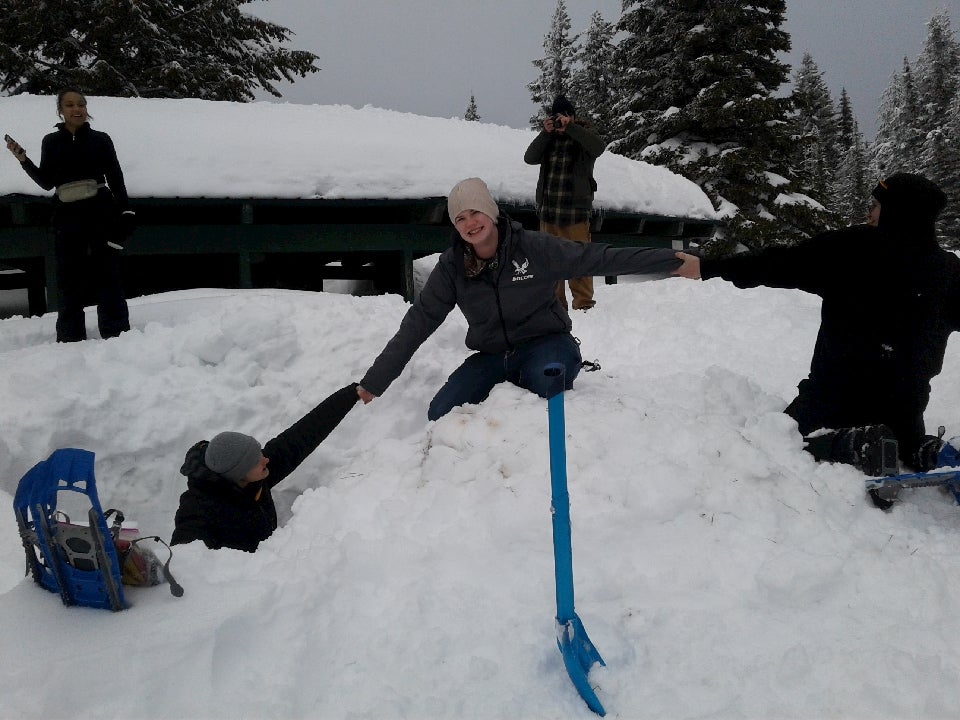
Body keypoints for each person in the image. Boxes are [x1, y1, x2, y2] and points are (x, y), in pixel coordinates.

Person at [674, 173, 959, 482]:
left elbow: (778, 263)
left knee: (783, 441)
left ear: (896, 211)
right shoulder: (948, 271)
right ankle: (925, 451)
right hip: (906, 410)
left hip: (834, 400)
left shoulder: (852, 249)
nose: (869, 212)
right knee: (906, 439)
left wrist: (707, 266)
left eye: (876, 205)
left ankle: (860, 444)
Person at [356, 177, 697, 420]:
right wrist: (375, 381)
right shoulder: (452, 267)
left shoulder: (534, 247)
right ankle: (505, 382)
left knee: (549, 382)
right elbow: (419, 321)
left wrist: (670, 262)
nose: (470, 223)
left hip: (545, 343)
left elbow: (597, 257)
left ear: (490, 212)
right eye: (460, 218)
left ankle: (538, 376)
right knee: (441, 412)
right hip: (492, 355)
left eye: (475, 212)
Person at [5, 89, 135, 342]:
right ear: (60, 110)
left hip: (100, 211)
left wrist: (126, 211)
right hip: (66, 215)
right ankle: (70, 337)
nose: (77, 109)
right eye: (70, 105)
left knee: (107, 272)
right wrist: (23, 159)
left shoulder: (101, 139)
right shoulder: (51, 142)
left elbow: (115, 177)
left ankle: (117, 335)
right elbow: (46, 182)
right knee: (68, 277)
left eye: (81, 104)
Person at [171, 383, 360, 552]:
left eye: (259, 453)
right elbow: (185, 555)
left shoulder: (255, 477)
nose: (265, 460)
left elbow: (305, 433)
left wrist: (352, 394)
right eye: (256, 460)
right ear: (238, 474)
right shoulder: (201, 509)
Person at [524, 94, 605, 311]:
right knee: (549, 261)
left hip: (575, 211)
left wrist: (571, 128)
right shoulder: (548, 140)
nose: (561, 120)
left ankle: (584, 305)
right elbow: (529, 158)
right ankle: (555, 306)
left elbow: (598, 147)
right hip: (549, 211)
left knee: (579, 258)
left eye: (565, 115)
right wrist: (545, 133)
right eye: (557, 116)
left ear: (572, 116)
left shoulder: (582, 137)